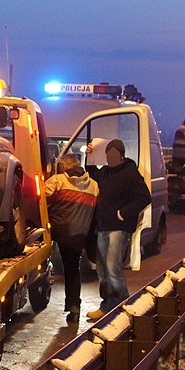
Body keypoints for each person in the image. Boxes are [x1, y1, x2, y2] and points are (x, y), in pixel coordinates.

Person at [86, 138, 151, 320]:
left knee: (112, 267)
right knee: (102, 269)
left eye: (113, 154)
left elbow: (144, 197)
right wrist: (89, 155)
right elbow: (91, 173)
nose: (110, 158)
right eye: (108, 154)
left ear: (121, 155)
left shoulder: (130, 173)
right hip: (103, 226)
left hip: (119, 228)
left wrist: (124, 213)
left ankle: (123, 304)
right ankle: (107, 305)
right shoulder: (105, 172)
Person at [45, 154, 99, 322]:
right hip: (80, 234)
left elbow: (40, 197)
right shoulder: (94, 185)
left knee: (63, 266)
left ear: (64, 167)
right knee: (72, 269)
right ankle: (74, 308)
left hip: (59, 230)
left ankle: (71, 304)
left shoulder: (58, 180)